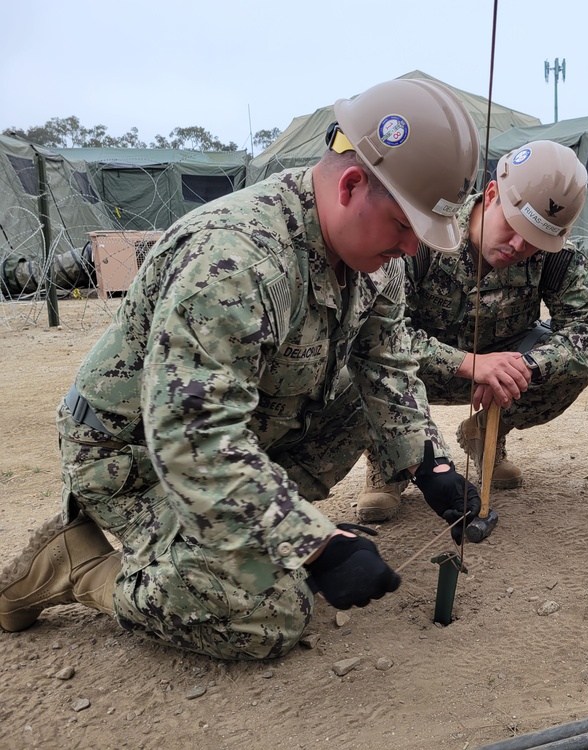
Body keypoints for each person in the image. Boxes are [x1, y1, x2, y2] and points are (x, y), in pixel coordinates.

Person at [0, 78, 487, 660]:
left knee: (362, 397)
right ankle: (78, 566)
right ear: (352, 185)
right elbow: (192, 439)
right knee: (271, 609)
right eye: (406, 226)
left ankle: (242, 534)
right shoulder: (236, 262)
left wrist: (427, 464)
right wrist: (314, 545)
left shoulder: (375, 258)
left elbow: (386, 363)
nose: (412, 248)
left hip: (245, 432)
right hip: (134, 459)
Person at [356, 140, 588, 523]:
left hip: (498, 380)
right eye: (514, 227)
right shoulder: (425, 235)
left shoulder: (552, 254)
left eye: (536, 241)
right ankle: (390, 459)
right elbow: (377, 337)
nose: (518, 246)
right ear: (491, 194)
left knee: (568, 367)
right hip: (418, 372)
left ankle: (486, 433)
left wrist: (525, 366)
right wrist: (468, 363)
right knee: (354, 369)